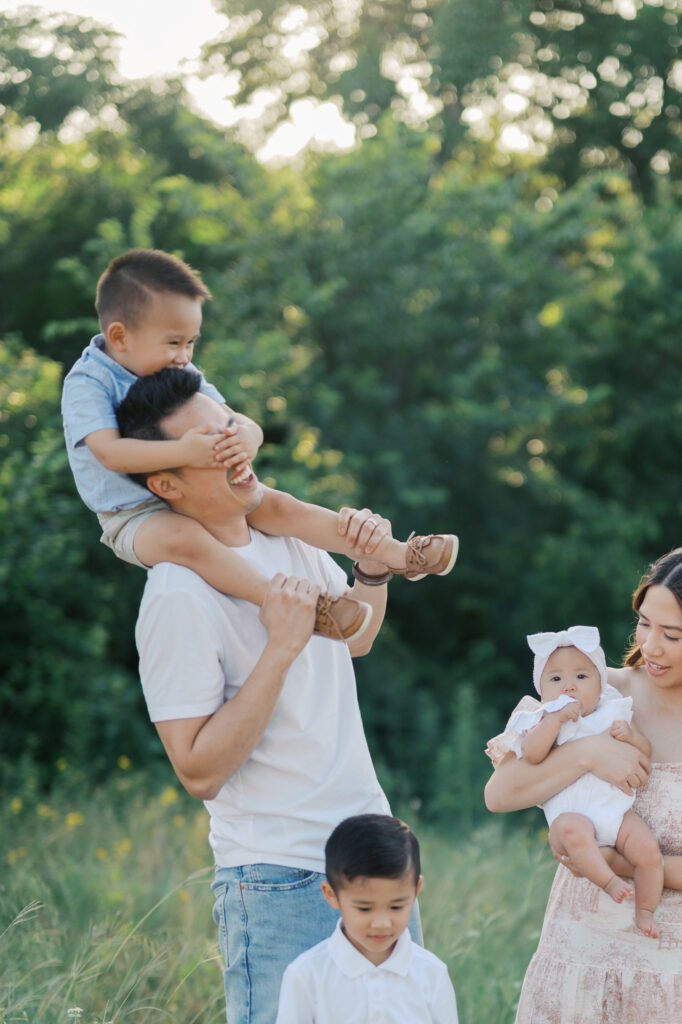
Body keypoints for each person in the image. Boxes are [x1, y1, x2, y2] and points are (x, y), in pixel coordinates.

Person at [115, 368, 422, 1024]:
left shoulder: (284, 535)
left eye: (230, 429)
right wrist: (280, 647)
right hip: (279, 881)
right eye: (209, 445)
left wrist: (372, 566)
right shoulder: (177, 595)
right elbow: (198, 768)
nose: (233, 447)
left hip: (376, 857)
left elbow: (356, 639)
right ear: (165, 483)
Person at [61, 248, 458, 642]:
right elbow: (109, 452)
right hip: (132, 513)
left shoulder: (176, 368)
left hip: (202, 483)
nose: (184, 356)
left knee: (283, 506)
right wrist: (186, 452)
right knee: (186, 542)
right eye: (174, 343)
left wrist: (249, 434)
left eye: (191, 343)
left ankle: (399, 553)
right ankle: (303, 606)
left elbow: (233, 417)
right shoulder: (88, 383)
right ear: (119, 336)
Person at [484, 549, 682, 1024]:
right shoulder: (597, 692)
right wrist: (586, 754)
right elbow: (500, 794)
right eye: (644, 623)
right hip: (579, 961)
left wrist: (620, 864)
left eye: (672, 635)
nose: (651, 646)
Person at [497, 625, 662, 936]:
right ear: (541, 689)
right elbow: (532, 755)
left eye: (581, 677)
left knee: (649, 851)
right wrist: (554, 720)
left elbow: (644, 752)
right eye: (555, 679)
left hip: (615, 814)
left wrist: (630, 736)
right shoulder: (541, 720)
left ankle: (644, 911)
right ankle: (609, 880)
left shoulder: (614, 710)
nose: (568, 687)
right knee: (573, 831)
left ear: (601, 684)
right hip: (571, 816)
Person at [275, 814, 458, 1024]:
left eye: (396, 906)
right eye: (364, 908)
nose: (382, 923)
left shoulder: (432, 973)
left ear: (416, 890)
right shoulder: (306, 975)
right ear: (331, 894)